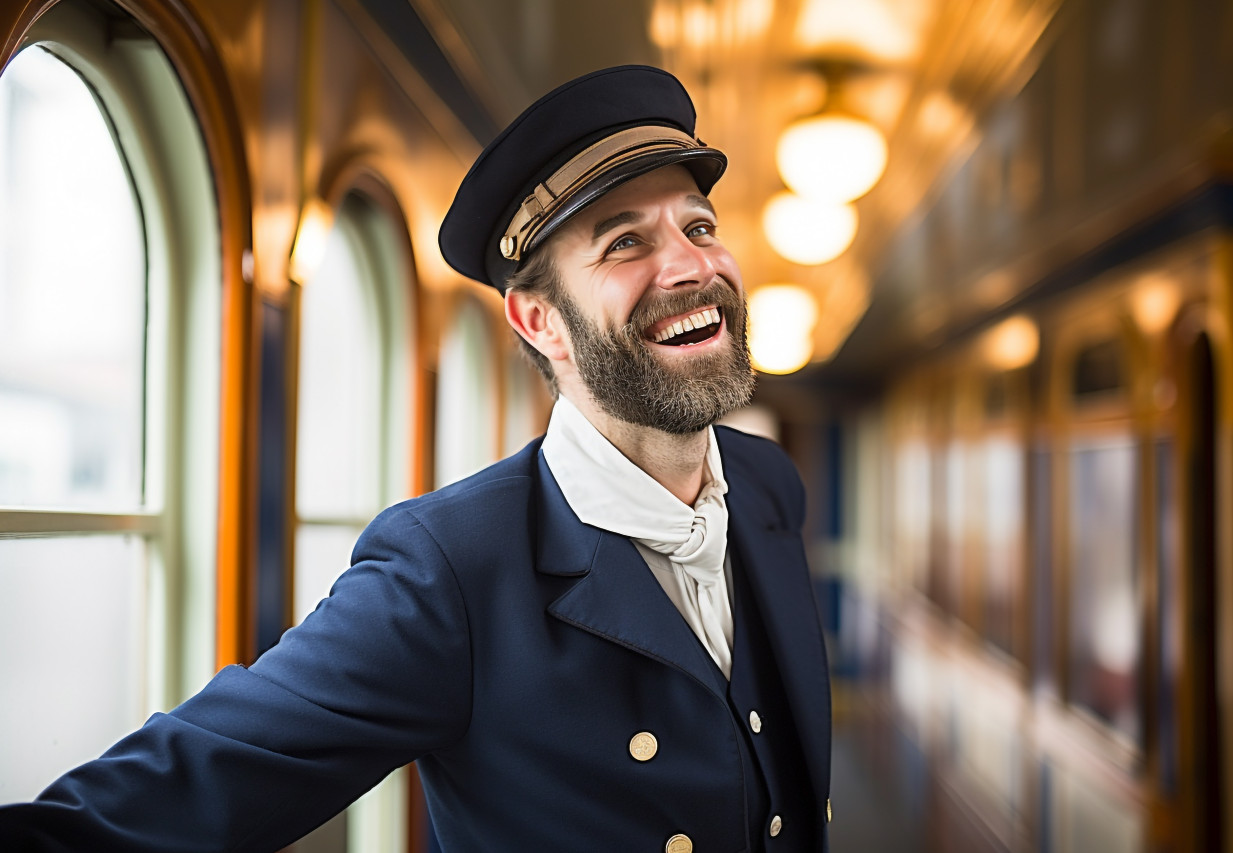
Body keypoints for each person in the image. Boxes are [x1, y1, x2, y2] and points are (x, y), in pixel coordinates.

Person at [0, 64, 831, 852]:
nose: (691, 264)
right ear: (540, 323)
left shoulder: (768, 484)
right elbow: (195, 778)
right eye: (624, 243)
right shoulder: (454, 568)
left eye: (699, 226)